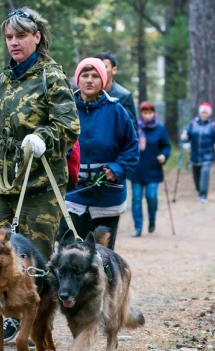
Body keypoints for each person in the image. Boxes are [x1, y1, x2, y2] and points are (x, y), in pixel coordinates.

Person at [0, 8, 79, 343]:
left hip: (41, 183)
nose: (14, 43)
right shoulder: (1, 81)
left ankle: (38, 326)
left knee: (35, 259)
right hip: (1, 179)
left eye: (20, 36)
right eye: (9, 37)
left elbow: (69, 126)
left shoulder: (52, 77)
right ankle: (9, 318)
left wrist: (42, 138)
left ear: (37, 37)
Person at [60, 57, 138, 250]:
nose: (89, 80)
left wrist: (117, 168)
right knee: (70, 252)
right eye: (84, 75)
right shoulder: (65, 110)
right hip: (73, 194)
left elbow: (131, 148)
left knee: (102, 254)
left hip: (107, 195)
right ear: (77, 80)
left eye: (95, 76)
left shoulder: (117, 110)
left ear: (103, 80)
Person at [128, 101, 171, 237]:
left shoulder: (160, 129)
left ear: (154, 114)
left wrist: (164, 155)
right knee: (136, 199)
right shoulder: (135, 129)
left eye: (150, 113)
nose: (147, 115)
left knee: (151, 197)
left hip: (153, 169)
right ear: (141, 114)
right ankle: (138, 227)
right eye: (145, 113)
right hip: (137, 169)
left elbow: (166, 146)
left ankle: (152, 220)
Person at [181, 103, 215, 203]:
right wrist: (185, 136)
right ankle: (200, 192)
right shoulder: (193, 124)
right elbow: (188, 135)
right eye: (203, 112)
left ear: (209, 114)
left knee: (204, 174)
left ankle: (203, 194)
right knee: (196, 176)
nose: (204, 114)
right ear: (200, 113)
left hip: (207, 155)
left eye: (206, 113)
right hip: (194, 155)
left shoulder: (213, 125)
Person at [94, 51, 138, 125]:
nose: (100, 71)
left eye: (104, 67)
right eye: (97, 67)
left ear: (114, 70)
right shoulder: (87, 95)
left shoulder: (124, 96)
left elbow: (132, 129)